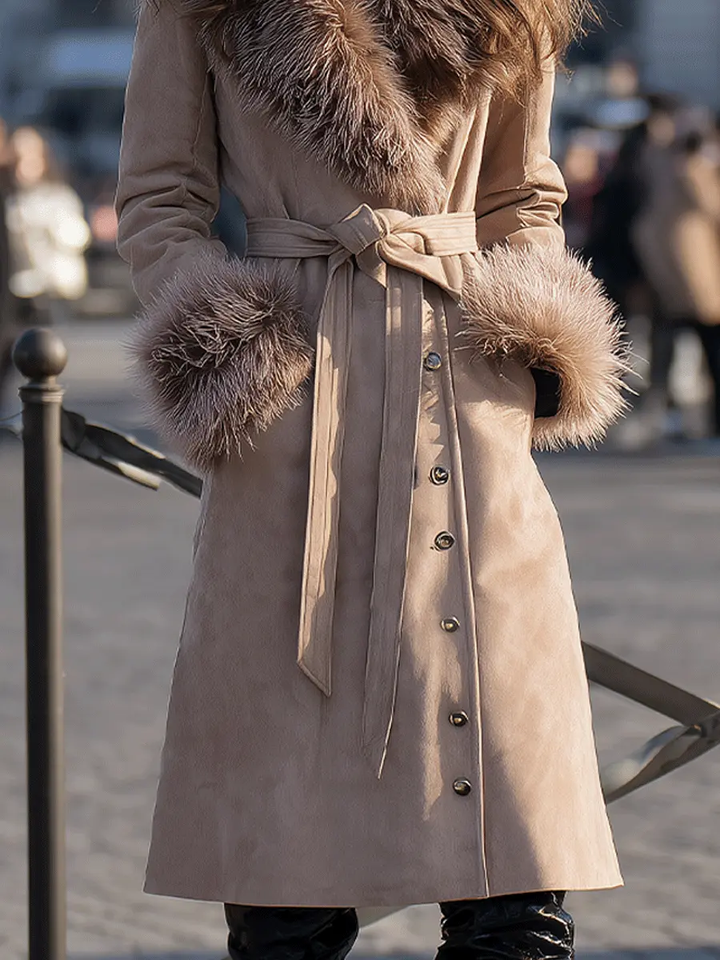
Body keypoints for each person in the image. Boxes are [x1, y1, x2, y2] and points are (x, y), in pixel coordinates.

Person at [115, 1, 626, 958]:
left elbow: (523, 198)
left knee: (511, 865)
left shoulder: (513, 4)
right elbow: (158, 195)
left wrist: (519, 359)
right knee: (286, 876)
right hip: (295, 405)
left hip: (463, 403)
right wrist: (240, 354)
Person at [632, 112, 720, 438]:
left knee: (679, 348)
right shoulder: (684, 172)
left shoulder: (668, 171)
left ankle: (680, 416)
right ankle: (688, 418)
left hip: (681, 278)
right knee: (700, 347)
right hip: (690, 280)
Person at [4, 126, 91, 327]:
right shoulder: (11, 201)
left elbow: (78, 237)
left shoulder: (59, 198)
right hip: (22, 288)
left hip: (56, 289)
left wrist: (50, 226)